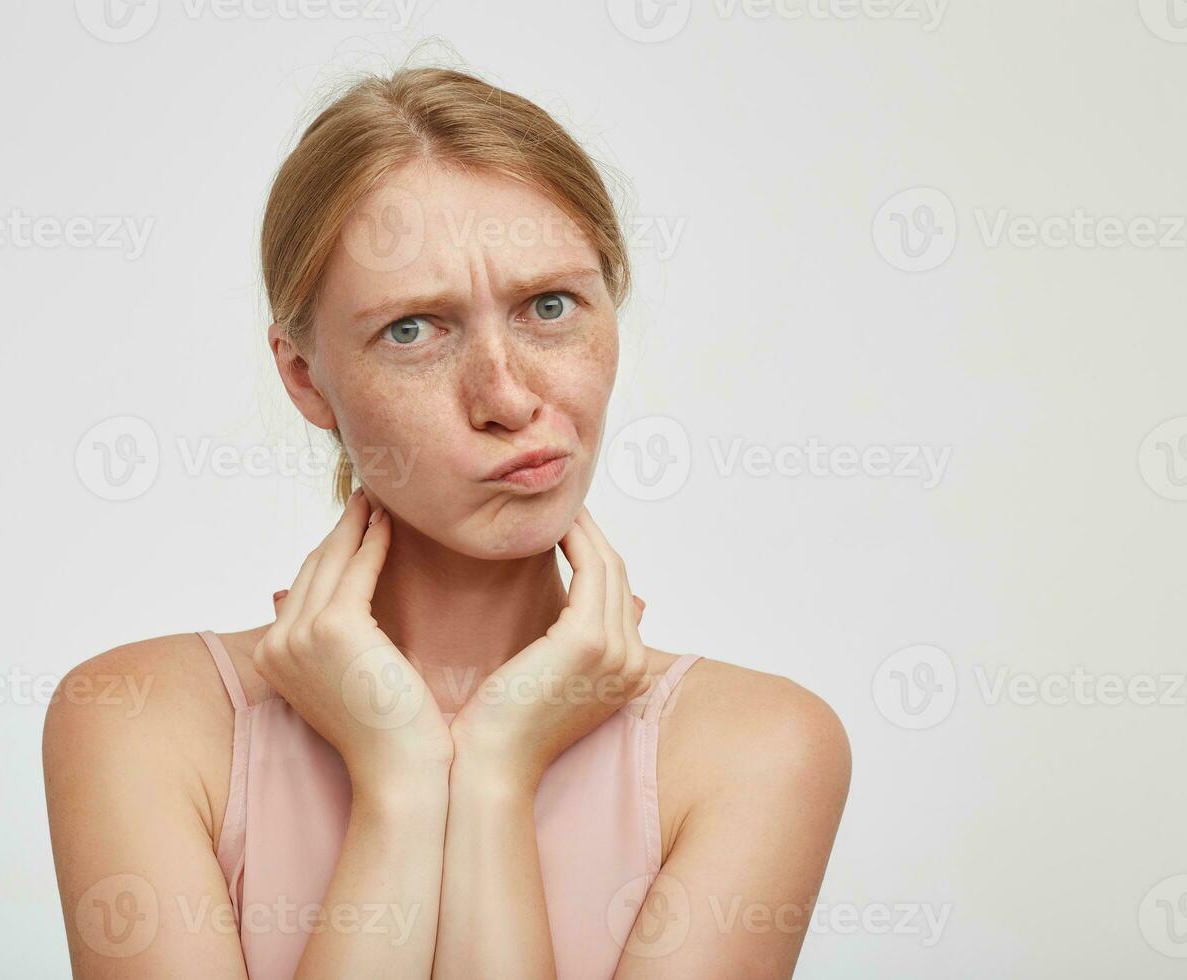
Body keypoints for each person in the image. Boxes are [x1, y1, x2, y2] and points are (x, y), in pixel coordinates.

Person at [43, 63, 851, 979]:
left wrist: (498, 773)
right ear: (306, 378)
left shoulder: (758, 746)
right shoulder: (144, 721)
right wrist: (398, 782)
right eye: (415, 329)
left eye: (551, 307)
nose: (507, 397)